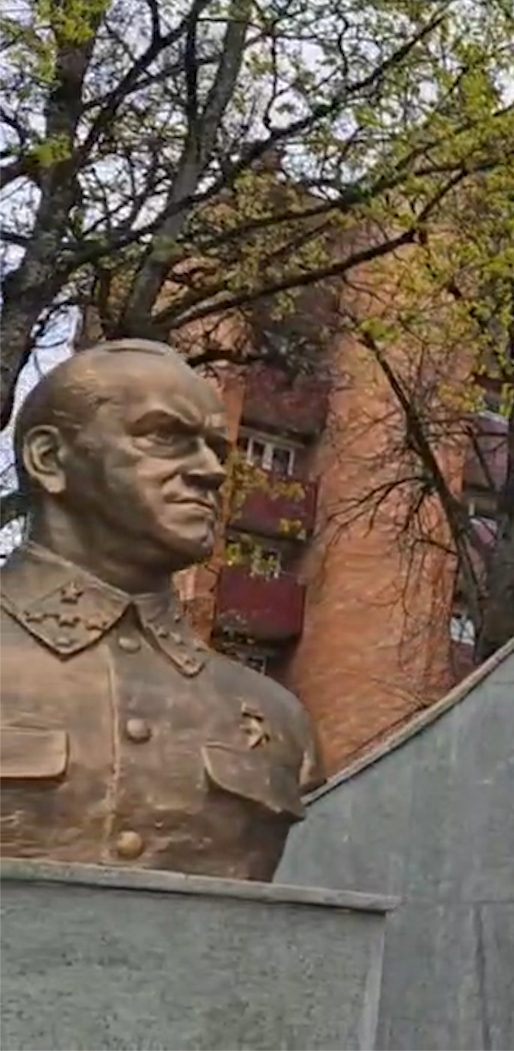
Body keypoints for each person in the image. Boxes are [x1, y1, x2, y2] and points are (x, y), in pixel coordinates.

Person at [0, 339, 323, 882]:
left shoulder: (277, 718)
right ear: (51, 459)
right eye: (164, 436)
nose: (212, 472)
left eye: (217, 449)